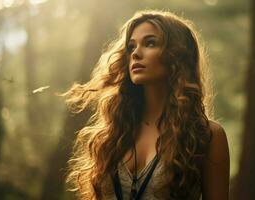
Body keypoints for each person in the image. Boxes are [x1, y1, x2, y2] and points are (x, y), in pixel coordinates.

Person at [63, 10, 229, 200]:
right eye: (131, 47)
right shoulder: (111, 133)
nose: (136, 54)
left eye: (150, 43)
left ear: (177, 54)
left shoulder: (206, 135)